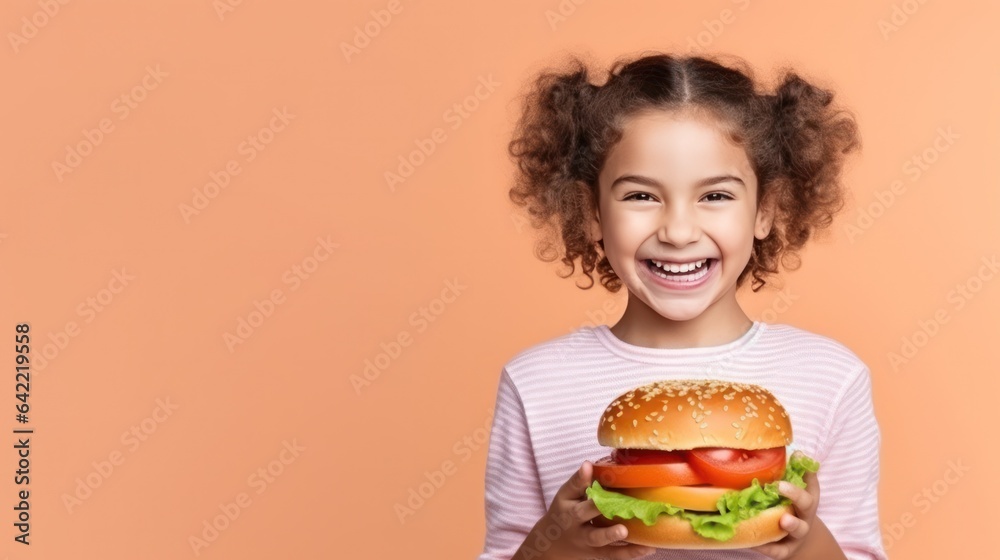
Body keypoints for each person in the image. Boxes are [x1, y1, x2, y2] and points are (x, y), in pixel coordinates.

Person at [477, 52, 887, 560]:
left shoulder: (831, 376)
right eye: (641, 197)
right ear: (590, 214)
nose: (678, 231)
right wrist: (557, 548)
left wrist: (806, 542)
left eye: (714, 196)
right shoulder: (536, 381)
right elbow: (504, 551)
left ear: (766, 211)